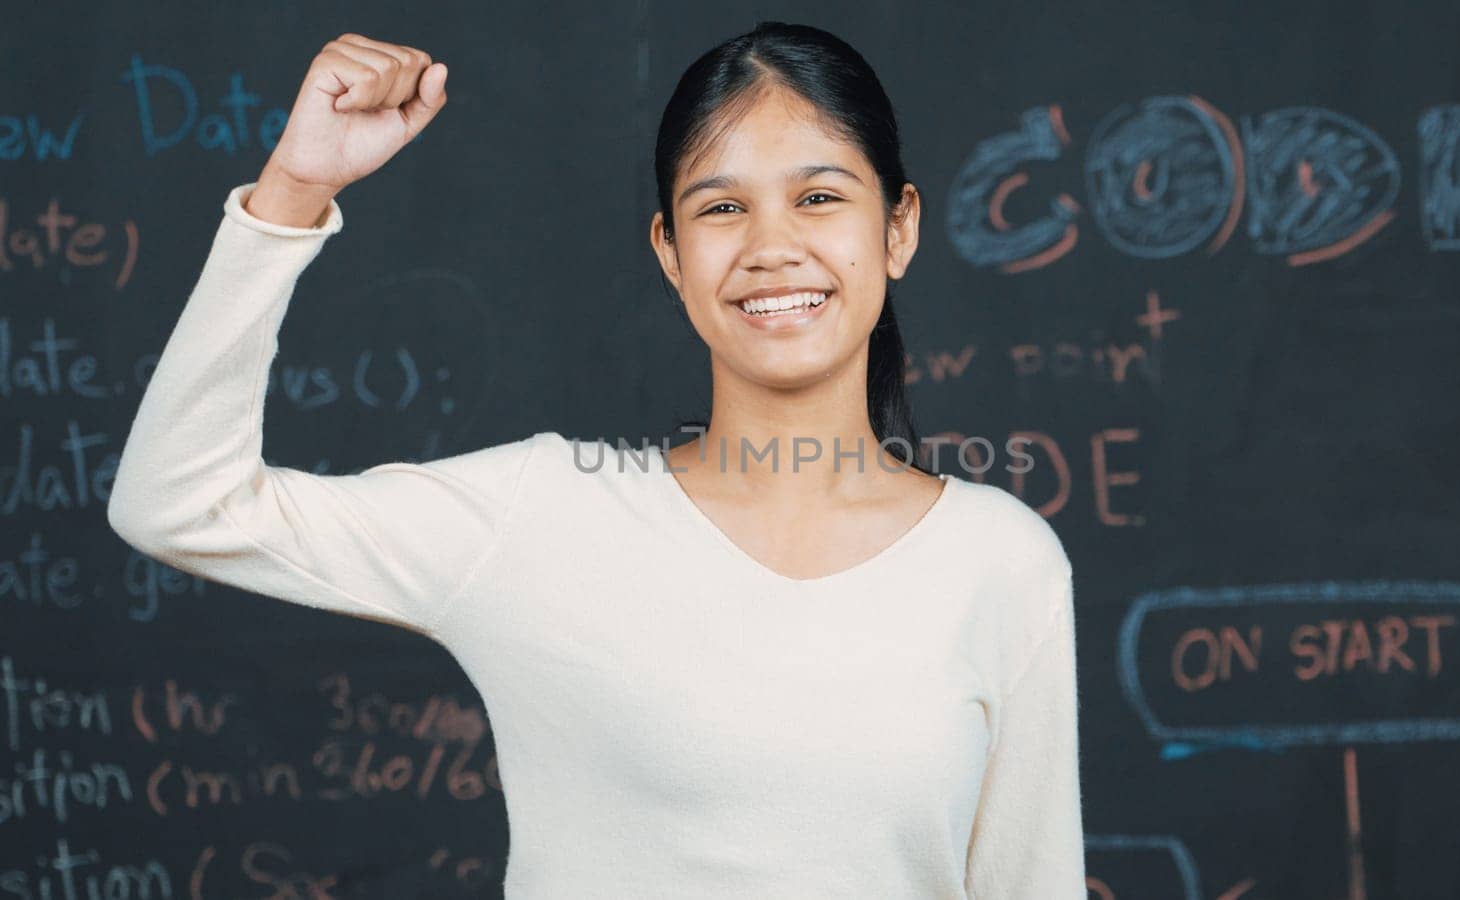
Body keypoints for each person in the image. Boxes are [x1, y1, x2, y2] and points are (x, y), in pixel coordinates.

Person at [106, 21, 1084, 899]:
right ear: (669, 251)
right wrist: (293, 190)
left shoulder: (1000, 564)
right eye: (720, 209)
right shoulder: (544, 518)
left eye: (819, 196)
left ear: (898, 227)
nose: (772, 247)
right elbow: (176, 504)